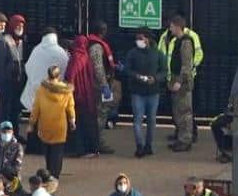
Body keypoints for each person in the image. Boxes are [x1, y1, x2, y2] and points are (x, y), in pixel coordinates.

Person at [160, 15, 202, 151]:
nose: (170, 29)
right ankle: (180, 138)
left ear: (177, 26)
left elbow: (186, 64)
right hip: (175, 80)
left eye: (171, 26)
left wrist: (179, 81)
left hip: (182, 83)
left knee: (184, 112)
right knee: (178, 111)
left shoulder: (186, 42)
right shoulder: (176, 41)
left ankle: (186, 140)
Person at [124, 30, 166, 157]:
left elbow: (164, 71)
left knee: (151, 120)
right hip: (137, 92)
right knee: (138, 119)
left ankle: (149, 145)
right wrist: (137, 76)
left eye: (141, 38)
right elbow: (127, 70)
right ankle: (140, 146)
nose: (139, 41)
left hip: (153, 92)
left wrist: (155, 78)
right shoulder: (132, 53)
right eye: (137, 39)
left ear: (148, 39)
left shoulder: (158, 54)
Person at [28, 65, 75, 177]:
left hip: (45, 125)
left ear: (48, 74)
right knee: (58, 152)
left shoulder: (41, 90)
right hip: (60, 125)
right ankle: (55, 174)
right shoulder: (66, 91)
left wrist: (32, 123)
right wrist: (72, 120)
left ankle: (48, 172)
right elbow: (70, 107)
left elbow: (36, 109)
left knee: (47, 151)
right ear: (58, 76)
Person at [64, 35, 102, 157]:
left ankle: (80, 149)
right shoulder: (85, 56)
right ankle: (92, 148)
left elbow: (71, 74)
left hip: (78, 95)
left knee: (78, 121)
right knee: (89, 121)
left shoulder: (76, 57)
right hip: (88, 94)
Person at [86, 20, 117, 153]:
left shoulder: (92, 44)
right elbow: (98, 68)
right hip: (99, 87)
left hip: (98, 85)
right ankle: (97, 143)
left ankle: (96, 141)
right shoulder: (96, 47)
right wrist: (105, 85)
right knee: (101, 114)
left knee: (100, 114)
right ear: (102, 31)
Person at [21, 28, 68, 113]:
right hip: (55, 94)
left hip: (36, 94)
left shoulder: (36, 50)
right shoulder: (61, 52)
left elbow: (28, 67)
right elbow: (66, 70)